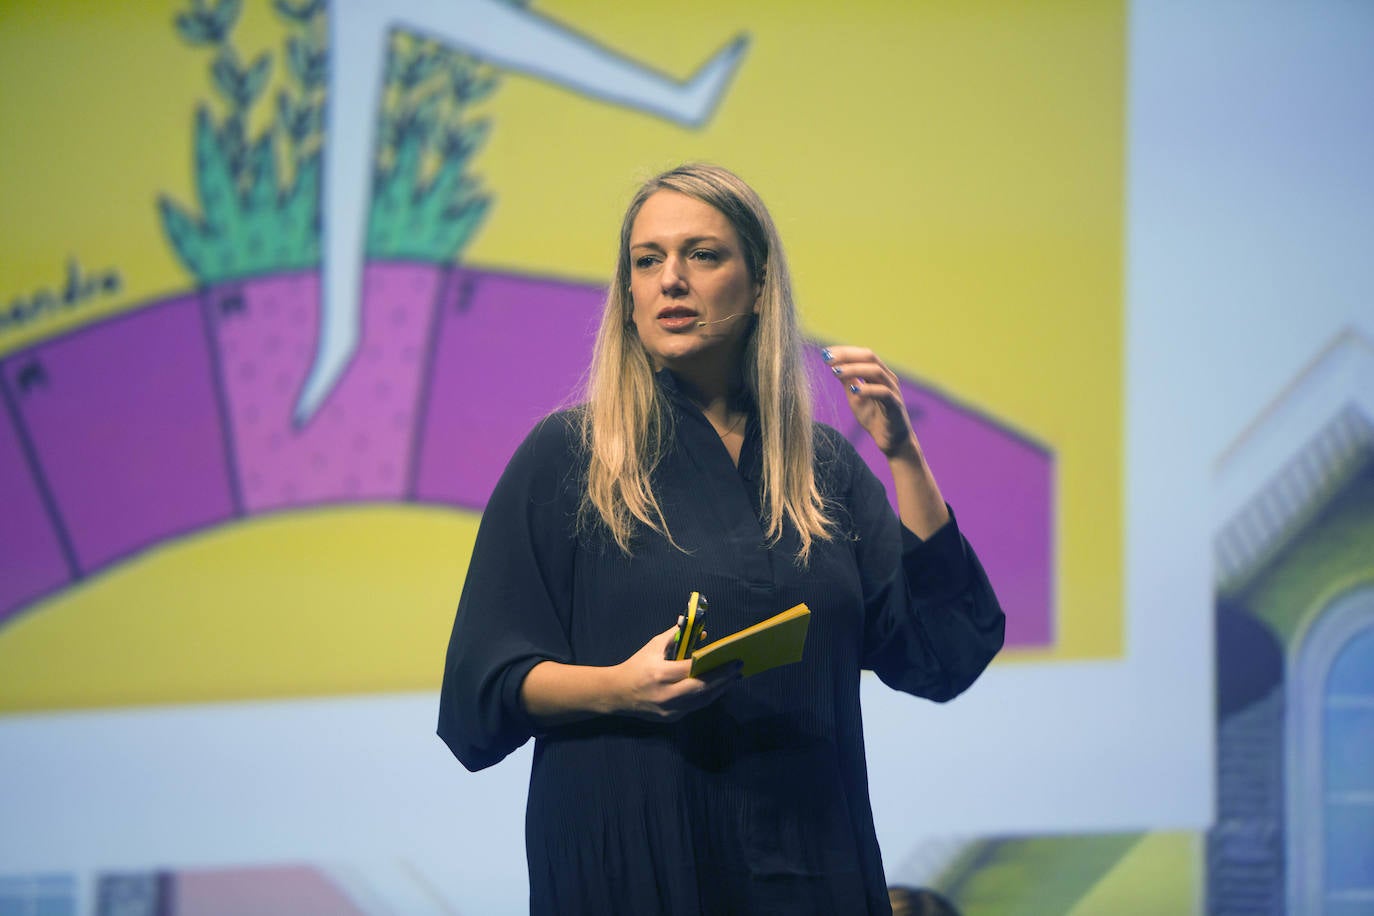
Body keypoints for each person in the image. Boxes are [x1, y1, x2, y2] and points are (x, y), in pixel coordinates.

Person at [438, 163, 1005, 914]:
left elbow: (945, 653)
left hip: (810, 863)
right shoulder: (570, 457)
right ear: (629, 291)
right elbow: (482, 692)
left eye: (702, 255)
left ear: (760, 283)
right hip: (636, 868)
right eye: (648, 261)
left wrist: (902, 452)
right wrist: (620, 689)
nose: (671, 280)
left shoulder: (821, 469)